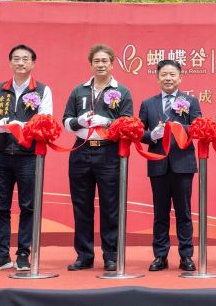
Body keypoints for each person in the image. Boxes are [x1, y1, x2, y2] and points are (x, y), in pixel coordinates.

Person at [62, 44, 134, 272]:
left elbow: (128, 123)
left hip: (109, 152)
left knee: (110, 206)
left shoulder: (122, 91)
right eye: (96, 61)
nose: (100, 65)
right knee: (81, 205)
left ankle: (111, 255)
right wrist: (79, 121)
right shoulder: (78, 91)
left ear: (112, 64)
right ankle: (84, 255)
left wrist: (108, 122)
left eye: (105, 61)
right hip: (81, 151)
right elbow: (65, 121)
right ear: (91, 64)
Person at [0, 44, 54, 272]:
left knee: (28, 207)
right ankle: (1, 255)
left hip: (28, 157)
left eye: (25, 59)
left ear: (33, 63)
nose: (20, 62)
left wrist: (21, 126)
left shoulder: (43, 90)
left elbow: (45, 119)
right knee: (0, 206)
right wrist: (5, 124)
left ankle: (23, 254)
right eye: (16, 58)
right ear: (10, 62)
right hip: (1, 155)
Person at [139, 60, 201, 272]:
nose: (168, 78)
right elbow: (139, 132)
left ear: (180, 77)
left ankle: (186, 256)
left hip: (183, 163)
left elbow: (198, 128)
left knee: (184, 212)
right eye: (164, 74)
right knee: (160, 213)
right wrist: (152, 135)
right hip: (158, 163)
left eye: (172, 74)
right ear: (157, 78)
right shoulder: (148, 104)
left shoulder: (190, 101)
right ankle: (160, 256)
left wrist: (177, 128)